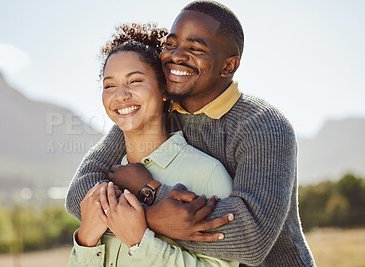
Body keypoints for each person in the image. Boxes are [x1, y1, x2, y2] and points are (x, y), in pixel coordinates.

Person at [66, 1, 316, 266]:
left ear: (228, 66)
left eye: (195, 48)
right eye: (171, 44)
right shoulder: (158, 111)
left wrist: (149, 195)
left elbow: (251, 239)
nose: (176, 56)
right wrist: (149, 217)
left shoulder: (264, 126)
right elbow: (80, 193)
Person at [68, 23, 238, 267]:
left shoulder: (207, 174)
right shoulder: (102, 186)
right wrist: (86, 239)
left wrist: (140, 241)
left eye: (135, 81)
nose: (120, 95)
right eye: (109, 85)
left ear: (164, 91)